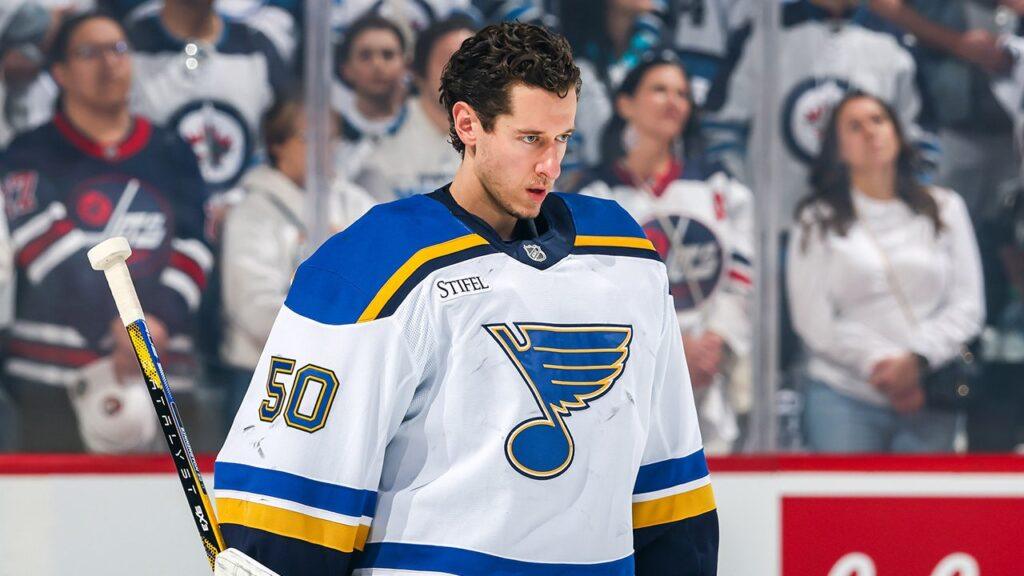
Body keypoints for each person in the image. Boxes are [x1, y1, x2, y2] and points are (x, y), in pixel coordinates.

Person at [214, 22, 718, 576]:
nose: (551, 165)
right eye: (530, 139)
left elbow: (669, 493)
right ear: (468, 124)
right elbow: (294, 503)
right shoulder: (375, 264)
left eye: (563, 138)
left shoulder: (626, 257)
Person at [0, 12, 211, 452]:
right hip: (52, 382)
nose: (109, 63)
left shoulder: (172, 151)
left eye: (118, 50)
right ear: (59, 73)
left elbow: (194, 245)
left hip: (164, 372)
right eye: (88, 52)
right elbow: (46, 249)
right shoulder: (29, 153)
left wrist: (157, 323)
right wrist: (123, 327)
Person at [787, 91, 984, 453]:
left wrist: (916, 360)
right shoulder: (816, 218)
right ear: (837, 149)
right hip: (842, 395)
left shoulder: (945, 208)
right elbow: (812, 318)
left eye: (878, 120)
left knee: (927, 492)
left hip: (929, 389)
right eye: (854, 126)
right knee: (843, 493)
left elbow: (968, 304)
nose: (870, 132)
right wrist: (882, 367)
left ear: (896, 131)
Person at [578, 50, 754, 454]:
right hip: (628, 380)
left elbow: (743, 275)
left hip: (709, 373)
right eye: (659, 90)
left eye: (682, 94)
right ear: (625, 104)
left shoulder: (719, 185)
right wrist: (670, 351)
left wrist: (716, 339)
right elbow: (592, 296)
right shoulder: (594, 194)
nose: (673, 101)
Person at [219, 98, 375, 432]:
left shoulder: (357, 204)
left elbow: (385, 281)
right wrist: (333, 326)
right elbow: (254, 308)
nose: (324, 149)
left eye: (331, 138)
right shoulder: (253, 212)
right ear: (277, 145)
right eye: (309, 138)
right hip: (267, 375)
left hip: (346, 371)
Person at [705, 0, 932, 224]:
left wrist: (895, 213)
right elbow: (720, 132)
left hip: (871, 233)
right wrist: (745, 205)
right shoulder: (761, 34)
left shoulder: (896, 43)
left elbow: (922, 145)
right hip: (772, 231)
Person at [127, 0, 290, 204]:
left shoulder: (256, 47)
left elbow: (287, 138)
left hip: (246, 212)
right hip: (156, 209)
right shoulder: (128, 48)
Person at [356, 15, 475, 202]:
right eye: (450, 61)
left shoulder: (501, 142)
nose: (463, 73)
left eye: (474, 62)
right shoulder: (378, 154)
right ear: (418, 72)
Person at [332, 14, 410, 180]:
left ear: (405, 65)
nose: (377, 65)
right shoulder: (329, 133)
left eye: (388, 55)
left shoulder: (428, 125)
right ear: (346, 69)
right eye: (365, 56)